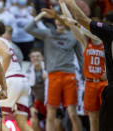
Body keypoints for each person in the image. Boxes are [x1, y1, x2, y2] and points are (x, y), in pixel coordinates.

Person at [25, 9, 83, 131]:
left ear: (66, 21)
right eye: (57, 19)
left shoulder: (74, 36)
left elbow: (81, 57)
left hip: (69, 76)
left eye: (62, 19)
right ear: (54, 21)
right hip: (53, 76)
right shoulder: (48, 34)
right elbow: (28, 29)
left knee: (72, 113)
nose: (59, 21)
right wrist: (41, 15)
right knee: (51, 113)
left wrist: (83, 75)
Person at [57, 1, 108, 130]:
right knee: (93, 118)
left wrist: (77, 24)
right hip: (90, 83)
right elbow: (71, 23)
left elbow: (82, 27)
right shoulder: (86, 43)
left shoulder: (105, 43)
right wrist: (63, 4)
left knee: (105, 117)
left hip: (104, 84)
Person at [0, 20, 33, 131]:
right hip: (21, 81)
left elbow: (7, 55)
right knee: (22, 122)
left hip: (10, 80)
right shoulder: (6, 42)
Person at [26, 48, 47, 131]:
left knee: (56, 122)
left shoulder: (48, 69)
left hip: (51, 102)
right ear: (30, 58)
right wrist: (31, 107)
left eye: (38, 56)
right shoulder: (28, 72)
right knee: (33, 121)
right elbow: (28, 91)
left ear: (42, 57)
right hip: (38, 103)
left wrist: (48, 79)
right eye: (33, 57)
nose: (35, 58)